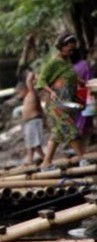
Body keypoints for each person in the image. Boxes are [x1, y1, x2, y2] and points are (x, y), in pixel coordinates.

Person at [36, 33, 88, 170]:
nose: (72, 52)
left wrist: (81, 82)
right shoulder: (53, 63)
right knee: (71, 129)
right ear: (62, 47)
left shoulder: (66, 61)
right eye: (69, 49)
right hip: (56, 104)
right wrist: (51, 91)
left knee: (57, 134)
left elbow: (69, 76)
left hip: (67, 103)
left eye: (73, 50)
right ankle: (82, 158)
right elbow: (41, 81)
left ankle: (45, 163)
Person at [16, 71, 46, 165]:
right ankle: (30, 160)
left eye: (19, 92)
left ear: (25, 89)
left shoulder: (31, 93)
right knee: (29, 143)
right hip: (29, 122)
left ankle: (45, 158)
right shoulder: (27, 98)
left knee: (35, 143)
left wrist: (30, 75)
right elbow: (40, 109)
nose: (18, 95)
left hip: (34, 121)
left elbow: (29, 82)